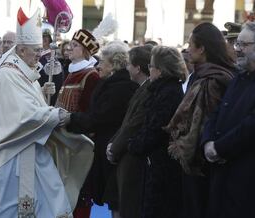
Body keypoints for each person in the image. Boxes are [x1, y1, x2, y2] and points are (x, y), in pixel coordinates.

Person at [0, 8, 93, 218]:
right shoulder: (9, 74)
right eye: (36, 50)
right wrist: (57, 115)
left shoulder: (24, 70)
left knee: (50, 201)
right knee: (14, 208)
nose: (40, 54)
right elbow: (23, 116)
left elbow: (30, 106)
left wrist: (44, 96)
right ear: (21, 50)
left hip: (31, 147)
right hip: (10, 153)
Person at [164, 22, 235, 218]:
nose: (187, 49)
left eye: (190, 44)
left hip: (203, 160)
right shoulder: (201, 74)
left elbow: (210, 119)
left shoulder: (214, 78)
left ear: (202, 48)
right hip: (193, 158)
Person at [201, 22, 255, 218]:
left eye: (243, 45)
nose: (237, 49)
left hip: (247, 179)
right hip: (222, 173)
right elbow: (216, 113)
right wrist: (207, 142)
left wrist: (219, 148)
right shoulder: (239, 77)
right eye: (236, 44)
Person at [66, 40, 138, 218]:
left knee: (117, 200)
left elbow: (99, 117)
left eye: (103, 62)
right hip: (105, 145)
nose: (98, 66)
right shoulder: (111, 83)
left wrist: (70, 119)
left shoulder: (120, 87)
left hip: (113, 150)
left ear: (113, 64)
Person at [123, 46, 186, 218]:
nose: (149, 69)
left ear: (160, 69)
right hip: (155, 162)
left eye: (151, 66)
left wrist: (134, 145)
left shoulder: (168, 92)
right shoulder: (162, 90)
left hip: (161, 166)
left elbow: (155, 128)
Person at [55, 28, 101, 218]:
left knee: (79, 189)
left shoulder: (91, 76)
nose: (69, 49)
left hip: (78, 141)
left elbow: (90, 112)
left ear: (85, 51)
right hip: (62, 139)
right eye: (70, 45)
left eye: (75, 46)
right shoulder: (70, 72)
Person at [106, 44, 153, 218]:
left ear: (138, 68)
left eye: (129, 64)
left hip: (132, 158)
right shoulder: (142, 88)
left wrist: (114, 147)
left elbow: (134, 124)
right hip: (124, 154)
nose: (126, 68)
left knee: (129, 207)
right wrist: (113, 143)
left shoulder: (148, 90)